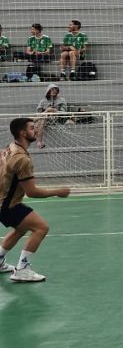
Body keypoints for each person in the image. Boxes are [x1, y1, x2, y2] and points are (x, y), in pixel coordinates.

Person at [0, 117, 71, 283]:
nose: (36, 131)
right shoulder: (22, 159)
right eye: (32, 128)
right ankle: (23, 270)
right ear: (23, 133)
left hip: (3, 203)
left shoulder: (10, 147)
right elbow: (32, 192)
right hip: (7, 206)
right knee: (41, 227)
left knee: (21, 228)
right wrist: (57, 192)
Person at [34, 84, 67, 150]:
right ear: (48, 91)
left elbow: (64, 112)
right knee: (45, 115)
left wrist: (54, 110)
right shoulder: (43, 101)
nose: (54, 91)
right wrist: (47, 111)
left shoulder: (62, 100)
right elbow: (38, 112)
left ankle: (39, 141)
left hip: (57, 119)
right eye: (52, 89)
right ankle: (39, 142)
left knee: (43, 116)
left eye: (56, 90)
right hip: (44, 120)